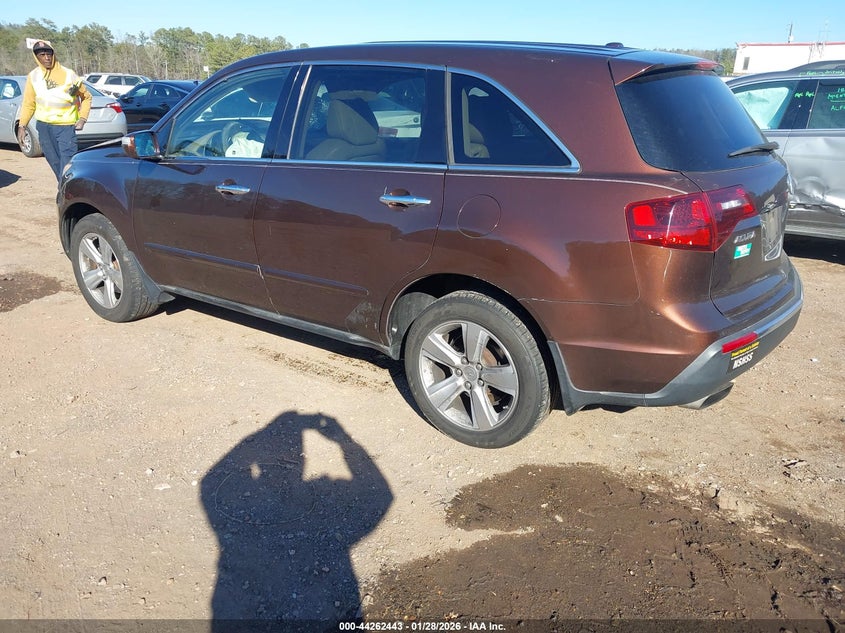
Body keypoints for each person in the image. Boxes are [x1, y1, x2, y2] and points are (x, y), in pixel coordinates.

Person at [17, 39, 92, 181]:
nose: (46, 58)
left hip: (65, 127)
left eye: (49, 54)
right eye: (42, 55)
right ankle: (64, 190)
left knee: (68, 164)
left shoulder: (69, 74)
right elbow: (29, 103)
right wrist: (22, 125)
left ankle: (65, 194)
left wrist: (82, 118)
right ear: (36, 57)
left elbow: (87, 97)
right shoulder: (33, 76)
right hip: (44, 127)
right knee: (54, 162)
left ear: (53, 54)